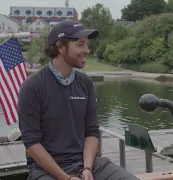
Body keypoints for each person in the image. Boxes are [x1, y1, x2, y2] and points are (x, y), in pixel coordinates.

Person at [18, 20, 139, 180]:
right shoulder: (32, 86)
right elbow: (32, 143)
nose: (87, 50)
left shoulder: (86, 83)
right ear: (60, 47)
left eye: (86, 45)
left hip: (89, 163)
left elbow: (92, 132)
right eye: (81, 45)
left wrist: (87, 168)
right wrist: (66, 178)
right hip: (46, 170)